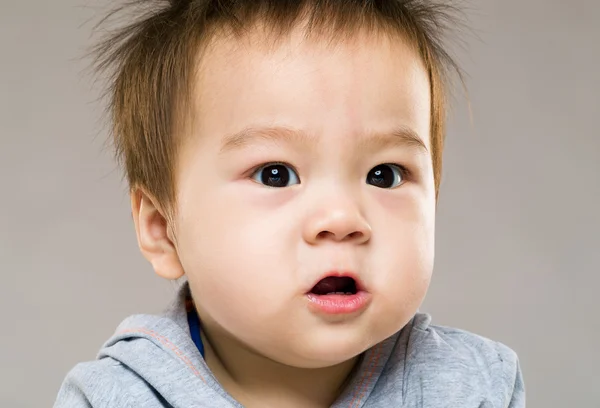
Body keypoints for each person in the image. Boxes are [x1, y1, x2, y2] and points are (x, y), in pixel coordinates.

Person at [55, 1, 525, 406]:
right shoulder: (118, 396)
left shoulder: (470, 386)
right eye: (275, 175)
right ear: (163, 228)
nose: (342, 219)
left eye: (384, 175)